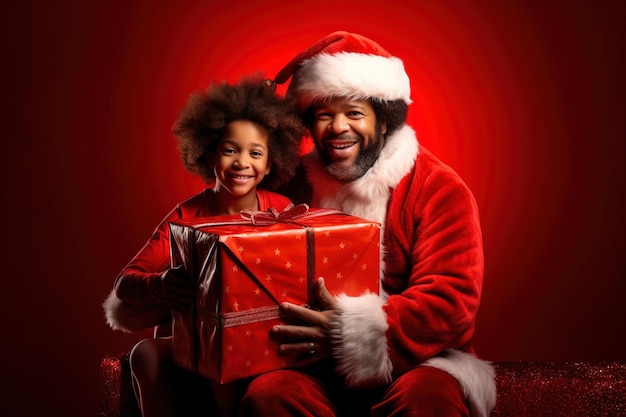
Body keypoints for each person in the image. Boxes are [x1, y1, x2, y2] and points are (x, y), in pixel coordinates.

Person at [238, 31, 497, 417]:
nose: (338, 127)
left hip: (418, 362)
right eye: (324, 115)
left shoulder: (438, 188)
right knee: (269, 396)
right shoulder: (289, 183)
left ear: (384, 121)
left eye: (354, 113)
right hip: (308, 363)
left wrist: (351, 333)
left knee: (427, 399)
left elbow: (451, 301)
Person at [103, 73, 304, 417]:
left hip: (262, 339)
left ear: (270, 163)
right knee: (145, 355)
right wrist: (164, 285)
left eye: (255, 153)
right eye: (230, 150)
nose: (242, 162)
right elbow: (126, 283)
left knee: (228, 361)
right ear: (209, 154)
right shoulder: (185, 215)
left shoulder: (282, 209)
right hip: (198, 339)